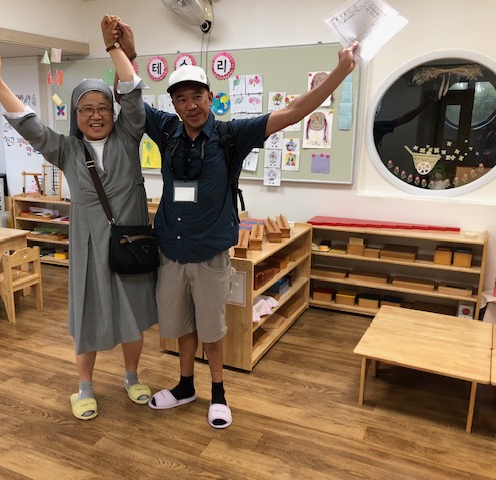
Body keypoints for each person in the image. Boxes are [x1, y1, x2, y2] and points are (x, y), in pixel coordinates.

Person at [115, 21, 357, 429]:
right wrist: (125, 53)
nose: (190, 105)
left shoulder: (232, 134)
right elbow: (132, 96)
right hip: (171, 252)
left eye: (197, 96)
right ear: (173, 104)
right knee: (180, 327)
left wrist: (340, 73)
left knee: (212, 328)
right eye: (181, 99)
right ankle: (185, 385)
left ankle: (219, 393)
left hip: (211, 253)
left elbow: (294, 111)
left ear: (211, 97)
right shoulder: (166, 130)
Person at [0, 15, 157, 421]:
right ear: (75, 114)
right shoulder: (68, 151)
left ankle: (131, 376)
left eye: (103, 107)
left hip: (130, 244)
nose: (95, 115)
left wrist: (115, 49)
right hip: (90, 247)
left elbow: (132, 91)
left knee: (135, 314)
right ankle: (84, 387)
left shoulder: (129, 136)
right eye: (86, 109)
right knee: (88, 314)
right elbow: (30, 126)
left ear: (113, 111)